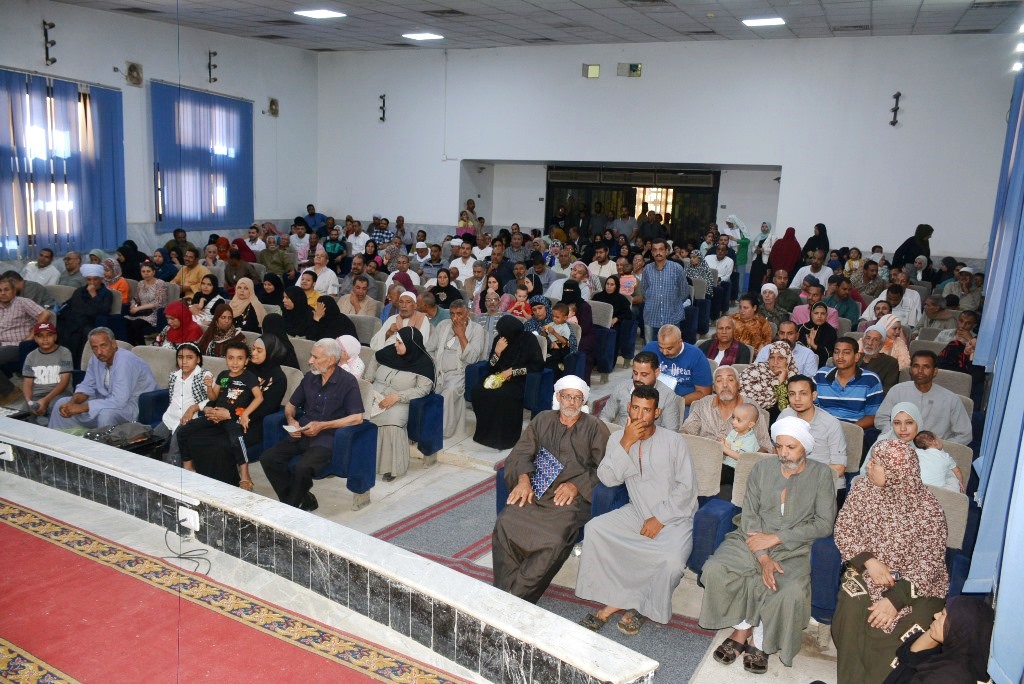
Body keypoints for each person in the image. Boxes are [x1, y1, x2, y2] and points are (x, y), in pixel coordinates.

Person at [699, 416, 836, 673]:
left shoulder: (822, 475)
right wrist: (763, 557)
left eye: (791, 447)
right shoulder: (762, 469)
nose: (783, 453)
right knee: (716, 569)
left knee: (789, 590)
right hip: (750, 537)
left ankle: (762, 640)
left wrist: (777, 538)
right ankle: (742, 629)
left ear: (805, 447)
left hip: (794, 546)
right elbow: (750, 515)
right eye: (779, 446)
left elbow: (824, 524)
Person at [576, 384, 698, 634]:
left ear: (657, 413)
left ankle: (634, 605)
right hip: (637, 511)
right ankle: (623, 598)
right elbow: (608, 479)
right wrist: (626, 443)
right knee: (596, 529)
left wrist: (659, 518)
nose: (639, 415)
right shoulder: (617, 439)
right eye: (635, 408)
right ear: (628, 408)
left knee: (672, 562)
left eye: (646, 410)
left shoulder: (674, 441)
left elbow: (687, 488)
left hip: (675, 517)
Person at [832, 438, 949, 684]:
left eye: (875, 463)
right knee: (853, 606)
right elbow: (844, 529)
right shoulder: (862, 489)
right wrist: (869, 561)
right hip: (865, 570)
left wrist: (895, 600)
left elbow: (929, 565)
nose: (868, 466)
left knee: (908, 625)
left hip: (916, 585)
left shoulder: (929, 509)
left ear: (896, 472)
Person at [492, 376, 611, 603]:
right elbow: (521, 453)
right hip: (535, 489)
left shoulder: (595, 427)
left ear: (584, 401)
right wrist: (523, 480)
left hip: (569, 500)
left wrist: (577, 486)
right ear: (558, 397)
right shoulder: (542, 419)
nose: (572, 403)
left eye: (577, 398)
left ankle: (519, 597)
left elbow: (606, 468)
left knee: (554, 539)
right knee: (506, 523)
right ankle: (503, 590)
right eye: (567, 397)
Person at [260, 338, 364, 511]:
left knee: (302, 468)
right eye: (311, 356)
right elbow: (291, 405)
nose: (310, 361)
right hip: (302, 432)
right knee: (268, 458)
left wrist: (322, 426)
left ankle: (290, 509)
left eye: (315, 357)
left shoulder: (347, 382)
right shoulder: (310, 377)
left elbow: (357, 418)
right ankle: (303, 499)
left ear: (331, 360)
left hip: (327, 438)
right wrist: (292, 420)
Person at [177, 340, 264, 488]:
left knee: (236, 440)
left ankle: (245, 475)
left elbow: (259, 398)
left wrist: (245, 414)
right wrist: (209, 386)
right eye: (230, 358)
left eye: (240, 358)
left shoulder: (249, 377)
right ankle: (188, 466)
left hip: (232, 418)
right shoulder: (223, 375)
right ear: (226, 359)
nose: (235, 362)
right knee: (183, 431)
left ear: (246, 361)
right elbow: (213, 398)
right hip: (215, 415)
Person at [49, 328, 157, 429]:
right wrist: (72, 403)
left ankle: (101, 443)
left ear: (114, 344)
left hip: (132, 406)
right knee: (61, 403)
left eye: (103, 346)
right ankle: (61, 440)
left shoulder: (125, 360)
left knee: (106, 414)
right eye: (95, 347)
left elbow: (119, 401)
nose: (99, 352)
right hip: (105, 401)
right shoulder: (96, 359)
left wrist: (82, 408)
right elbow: (87, 386)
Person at [364, 327, 434, 481]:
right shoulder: (389, 352)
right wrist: (368, 382)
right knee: (358, 413)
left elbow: (423, 389)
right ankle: (361, 461)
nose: (395, 345)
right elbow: (375, 358)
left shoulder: (424, 363)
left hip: (401, 400)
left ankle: (391, 467)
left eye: (400, 342)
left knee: (392, 421)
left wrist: (397, 397)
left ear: (410, 344)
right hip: (375, 394)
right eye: (396, 341)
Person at [884, 596, 994, 684]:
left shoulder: (948, 678)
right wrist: (939, 631)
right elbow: (909, 658)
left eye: (943, 614)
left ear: (959, 628)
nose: (935, 615)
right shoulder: (949, 653)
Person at [472, 316, 544, 450]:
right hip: (498, 376)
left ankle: (504, 439)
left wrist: (513, 371)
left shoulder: (529, 339)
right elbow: (490, 367)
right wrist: (497, 352)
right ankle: (485, 435)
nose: (502, 336)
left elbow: (537, 366)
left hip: (519, 379)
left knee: (503, 395)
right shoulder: (500, 340)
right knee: (478, 391)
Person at [876, 350, 972, 445]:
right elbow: (881, 418)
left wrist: (939, 446)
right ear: (910, 369)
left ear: (935, 371)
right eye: (916, 366)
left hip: (934, 451)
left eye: (926, 367)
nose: (920, 371)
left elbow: (965, 435)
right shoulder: (897, 391)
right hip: (899, 446)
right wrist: (895, 435)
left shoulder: (951, 399)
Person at [778, 375, 848, 502]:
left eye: (803, 393)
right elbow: (776, 450)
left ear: (814, 395)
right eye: (792, 394)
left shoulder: (830, 424)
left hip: (824, 482)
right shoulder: (785, 415)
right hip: (791, 479)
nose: (797, 399)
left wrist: (802, 474)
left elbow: (839, 468)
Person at [427, 299, 485, 439]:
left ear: (467, 313)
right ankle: (421, 428)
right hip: (437, 369)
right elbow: (429, 349)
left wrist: (461, 335)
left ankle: (440, 431)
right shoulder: (443, 325)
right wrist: (433, 364)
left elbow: (473, 359)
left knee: (449, 392)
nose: (455, 318)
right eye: (452, 314)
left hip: (459, 373)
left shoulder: (476, 329)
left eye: (459, 314)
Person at [682, 365, 773, 452]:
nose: (725, 385)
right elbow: (686, 432)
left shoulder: (751, 407)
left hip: (737, 460)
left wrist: (746, 460)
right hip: (704, 456)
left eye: (730, 380)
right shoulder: (703, 404)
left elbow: (764, 445)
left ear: (738, 384)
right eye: (719, 380)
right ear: (714, 387)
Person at [151, 342, 210, 466]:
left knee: (175, 448)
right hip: (170, 418)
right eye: (180, 357)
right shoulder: (174, 376)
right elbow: (173, 397)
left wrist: (194, 408)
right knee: (152, 441)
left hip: (189, 420)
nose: (184, 361)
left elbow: (212, 399)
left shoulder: (204, 376)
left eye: (190, 357)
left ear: (198, 359)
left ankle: (172, 472)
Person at [599, 351, 681, 431]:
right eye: (635, 373)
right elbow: (605, 416)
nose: (637, 379)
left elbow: (671, 432)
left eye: (644, 374)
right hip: (621, 436)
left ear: (656, 373)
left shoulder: (668, 396)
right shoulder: (622, 388)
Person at [814, 337, 884, 429]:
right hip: (823, 428)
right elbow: (811, 406)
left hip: (854, 429)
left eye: (846, 352)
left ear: (856, 357)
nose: (840, 356)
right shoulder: (821, 375)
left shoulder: (870, 380)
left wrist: (849, 430)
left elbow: (872, 415)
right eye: (836, 352)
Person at [642, 324, 712, 406]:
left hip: (684, 402)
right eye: (660, 347)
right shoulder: (650, 349)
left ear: (680, 342)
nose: (664, 352)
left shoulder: (696, 356)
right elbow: (638, 378)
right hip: (652, 398)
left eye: (669, 348)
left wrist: (676, 402)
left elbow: (704, 393)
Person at [57, 265, 113, 368]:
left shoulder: (107, 294)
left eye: (95, 279)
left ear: (101, 279)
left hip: (91, 322)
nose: (92, 282)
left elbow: (103, 311)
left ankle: (79, 367)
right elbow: (71, 306)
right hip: (75, 320)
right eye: (89, 279)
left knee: (83, 332)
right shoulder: (79, 291)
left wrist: (93, 295)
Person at [19, 322, 73, 423]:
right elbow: (27, 383)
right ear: (35, 338)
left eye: (49, 335)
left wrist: (46, 400)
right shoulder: (31, 356)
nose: (45, 339)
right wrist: (29, 402)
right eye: (40, 336)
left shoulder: (64, 352)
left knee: (55, 407)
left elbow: (64, 382)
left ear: (55, 336)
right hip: (37, 395)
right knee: (22, 413)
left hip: (60, 393)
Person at [640, 238, 691, 343]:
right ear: (652, 253)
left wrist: (673, 303)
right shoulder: (647, 269)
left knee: (672, 348)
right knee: (651, 350)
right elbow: (644, 290)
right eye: (655, 250)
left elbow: (684, 292)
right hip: (651, 316)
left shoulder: (677, 268)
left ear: (667, 251)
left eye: (661, 249)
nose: (658, 252)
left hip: (672, 317)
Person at [740, 341, 800, 422]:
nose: (775, 362)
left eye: (781, 358)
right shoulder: (756, 370)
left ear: (788, 359)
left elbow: (785, 410)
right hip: (742, 416)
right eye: (772, 357)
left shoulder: (794, 379)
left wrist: (781, 383)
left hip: (774, 422)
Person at [752, 320, 820, 378]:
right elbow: (755, 372)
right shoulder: (766, 350)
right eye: (782, 333)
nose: (785, 337)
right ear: (778, 334)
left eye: (790, 334)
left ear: (797, 336)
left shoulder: (807, 354)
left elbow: (810, 380)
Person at [124, 261, 169, 346]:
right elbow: (136, 299)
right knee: (125, 321)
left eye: (148, 271)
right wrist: (133, 305)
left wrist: (138, 308)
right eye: (143, 271)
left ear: (153, 272)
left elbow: (158, 303)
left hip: (154, 313)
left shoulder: (160, 283)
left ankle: (141, 346)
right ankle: (131, 345)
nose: (146, 274)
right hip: (141, 312)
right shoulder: (140, 283)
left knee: (136, 324)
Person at [859, 324, 900, 394]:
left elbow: (887, 390)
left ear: (882, 344)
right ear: (863, 340)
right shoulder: (854, 357)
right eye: (868, 338)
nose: (870, 343)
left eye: (875, 340)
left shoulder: (891, 363)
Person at [720, 403, 763, 468]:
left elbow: (742, 457)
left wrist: (724, 448)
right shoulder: (733, 432)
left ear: (750, 424)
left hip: (738, 470)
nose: (733, 422)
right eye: (733, 417)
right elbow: (727, 453)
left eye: (739, 420)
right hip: (726, 464)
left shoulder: (751, 440)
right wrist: (723, 446)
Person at [799, 302, 838, 368]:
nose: (819, 316)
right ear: (811, 314)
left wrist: (814, 346)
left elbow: (832, 355)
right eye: (816, 313)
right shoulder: (801, 328)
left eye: (823, 313)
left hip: (821, 366)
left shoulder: (831, 331)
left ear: (827, 315)